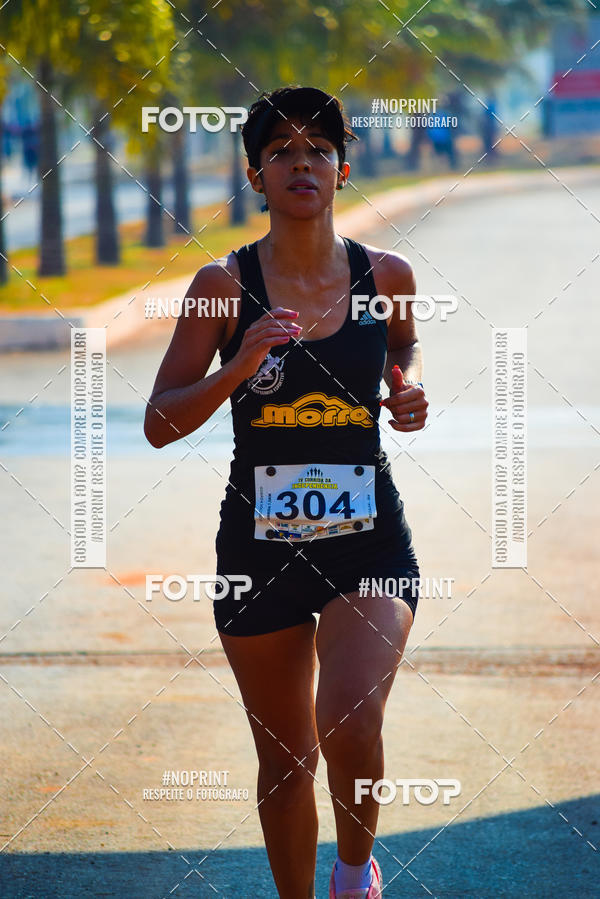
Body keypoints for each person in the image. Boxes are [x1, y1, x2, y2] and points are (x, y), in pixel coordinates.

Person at [144, 85, 428, 899]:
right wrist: (237, 365)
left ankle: (351, 874)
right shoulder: (222, 286)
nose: (302, 162)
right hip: (257, 554)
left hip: (370, 540)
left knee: (351, 719)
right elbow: (160, 420)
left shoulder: (389, 273)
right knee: (285, 754)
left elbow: (405, 343)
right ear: (255, 177)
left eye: (317, 149)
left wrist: (408, 389)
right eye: (281, 151)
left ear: (343, 168)